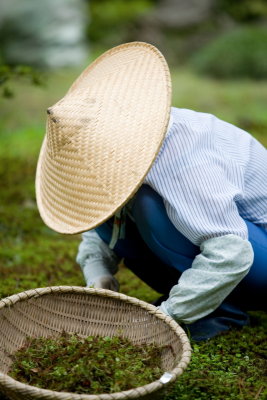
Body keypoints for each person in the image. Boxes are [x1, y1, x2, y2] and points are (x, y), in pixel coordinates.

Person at [36, 42, 267, 341]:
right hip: (233, 249)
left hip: (252, 253)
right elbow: (103, 220)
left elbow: (231, 253)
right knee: (124, 203)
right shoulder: (123, 154)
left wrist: (167, 316)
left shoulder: (182, 160)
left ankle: (219, 313)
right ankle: (199, 302)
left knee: (147, 205)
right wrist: (98, 276)